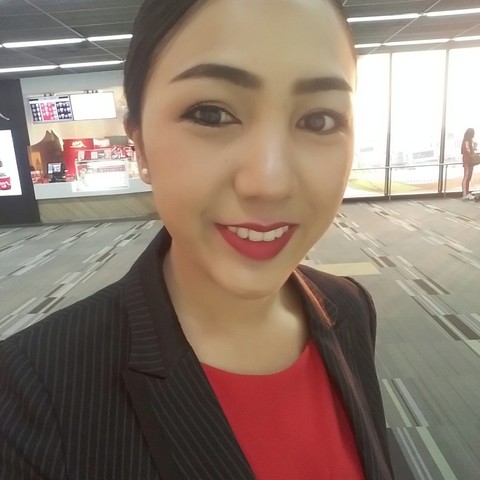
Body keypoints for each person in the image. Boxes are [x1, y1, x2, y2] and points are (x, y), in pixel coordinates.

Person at [0, 0, 394, 479]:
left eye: (319, 120)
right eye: (211, 114)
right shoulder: (32, 390)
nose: (269, 182)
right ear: (140, 146)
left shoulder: (350, 308)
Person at [461, 127, 476, 199]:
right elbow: (468, 151)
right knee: (466, 177)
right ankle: (465, 194)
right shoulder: (466, 141)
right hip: (468, 161)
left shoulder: (470, 141)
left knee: (468, 177)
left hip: (470, 161)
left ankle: (466, 192)